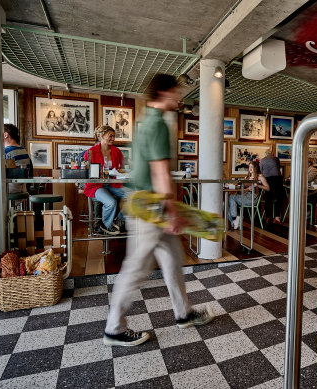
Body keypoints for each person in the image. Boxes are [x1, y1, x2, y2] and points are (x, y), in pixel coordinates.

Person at [103, 74, 213, 347]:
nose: (179, 99)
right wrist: (173, 211)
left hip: (148, 204)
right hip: (151, 208)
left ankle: (184, 313)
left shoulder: (144, 122)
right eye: (176, 94)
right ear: (164, 93)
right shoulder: (158, 125)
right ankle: (114, 329)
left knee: (173, 261)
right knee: (136, 269)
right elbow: (160, 171)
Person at [83, 126, 129, 235]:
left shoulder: (117, 151)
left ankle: (119, 220)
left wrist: (122, 172)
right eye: (111, 136)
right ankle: (106, 225)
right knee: (111, 202)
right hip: (96, 186)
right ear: (102, 136)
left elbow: (121, 168)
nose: (113, 139)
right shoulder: (90, 152)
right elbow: (82, 169)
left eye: (114, 136)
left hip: (113, 184)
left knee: (132, 196)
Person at [228, 160, 270, 230]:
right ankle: (236, 219)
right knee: (227, 201)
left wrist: (258, 186)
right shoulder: (247, 177)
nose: (250, 169)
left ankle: (235, 217)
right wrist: (244, 188)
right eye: (249, 167)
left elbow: (268, 188)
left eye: (252, 167)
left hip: (253, 198)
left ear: (256, 168)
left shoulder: (260, 177)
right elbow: (244, 190)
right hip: (245, 196)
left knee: (230, 198)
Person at [3, 123, 33, 193]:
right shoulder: (23, 150)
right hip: (23, 189)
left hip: (11, 190)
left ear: (5, 135)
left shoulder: (6, 151)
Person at [260, 150, 286, 225]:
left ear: (265, 154)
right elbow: (278, 167)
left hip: (267, 179)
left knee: (268, 198)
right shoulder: (276, 159)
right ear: (272, 153)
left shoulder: (262, 160)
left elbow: (261, 170)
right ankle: (277, 217)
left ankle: (268, 217)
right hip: (277, 179)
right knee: (279, 198)